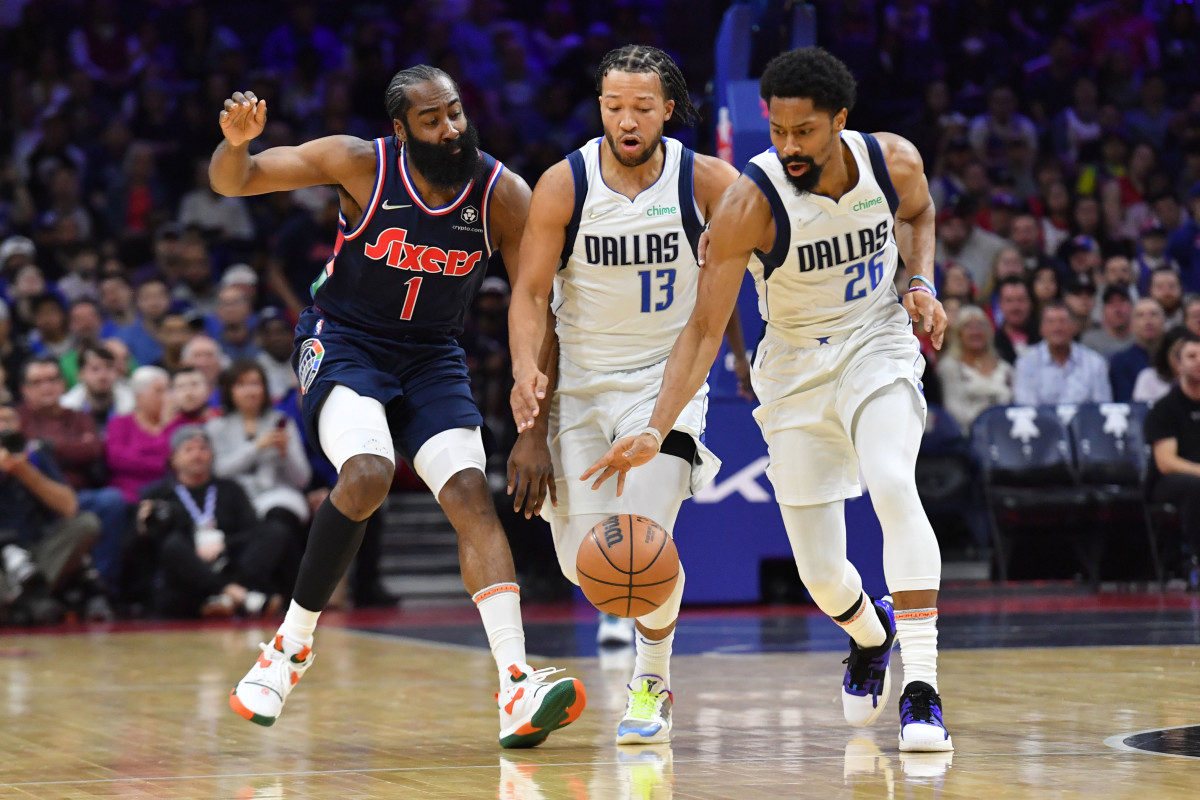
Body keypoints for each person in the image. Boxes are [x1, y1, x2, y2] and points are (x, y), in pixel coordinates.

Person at [579, 47, 953, 752]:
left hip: (876, 344)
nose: (789, 147)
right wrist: (657, 427)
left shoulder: (893, 161)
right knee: (821, 576)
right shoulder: (750, 202)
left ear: (839, 121)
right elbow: (703, 329)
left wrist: (920, 280)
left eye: (804, 131)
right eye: (778, 131)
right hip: (794, 372)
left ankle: (923, 691)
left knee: (892, 482)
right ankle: (871, 635)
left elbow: (919, 214)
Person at [209, 66, 583, 744]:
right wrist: (236, 145)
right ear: (401, 130)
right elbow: (236, 181)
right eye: (432, 120)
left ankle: (516, 684)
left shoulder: (502, 194)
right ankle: (288, 650)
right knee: (367, 473)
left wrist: (534, 428)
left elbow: (539, 305)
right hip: (345, 340)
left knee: (471, 494)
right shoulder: (359, 164)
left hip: (432, 354)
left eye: (456, 112)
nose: (451, 128)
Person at [508, 44, 738, 745]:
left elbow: (772, 251)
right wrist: (526, 389)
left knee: (642, 541)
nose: (627, 120)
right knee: (588, 568)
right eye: (614, 107)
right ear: (600, 108)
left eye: (642, 107)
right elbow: (531, 294)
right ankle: (646, 640)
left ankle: (652, 680)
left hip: (664, 385)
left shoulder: (707, 181)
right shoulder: (564, 184)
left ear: (668, 109)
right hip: (580, 390)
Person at [139, 426, 289, 617]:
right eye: (189, 450)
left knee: (274, 531)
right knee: (172, 546)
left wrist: (224, 543)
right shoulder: (158, 495)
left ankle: (228, 597)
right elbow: (148, 544)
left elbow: (252, 529)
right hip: (189, 572)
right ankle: (238, 595)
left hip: (229, 561)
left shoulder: (230, 488)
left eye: (203, 449)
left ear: (212, 455)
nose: (197, 455)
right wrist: (142, 525)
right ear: (173, 458)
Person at [206, 359, 310, 543]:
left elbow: (302, 480)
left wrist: (285, 454)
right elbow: (219, 471)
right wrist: (256, 447)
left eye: (255, 384)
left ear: (265, 388)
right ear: (229, 390)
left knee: (279, 523)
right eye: (241, 385)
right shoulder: (216, 427)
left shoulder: (282, 422)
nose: (250, 391)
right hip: (233, 499)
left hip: (277, 496)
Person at [1144, 332, 1200, 590]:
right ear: (1178, 364)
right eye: (1192, 356)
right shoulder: (1165, 408)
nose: (1199, 362)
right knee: (1194, 487)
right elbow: (1166, 462)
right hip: (1168, 482)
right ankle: (1194, 560)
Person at [1013, 302, 1111, 405]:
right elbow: (1026, 408)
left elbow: (1102, 407)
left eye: (1063, 321)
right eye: (1051, 322)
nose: (1057, 328)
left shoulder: (1095, 363)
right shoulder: (1026, 363)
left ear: (1074, 327)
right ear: (1041, 329)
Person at [936, 305, 1014, 433]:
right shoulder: (950, 367)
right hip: (968, 435)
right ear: (959, 334)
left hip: (1005, 433)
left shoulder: (1005, 368)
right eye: (968, 327)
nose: (976, 332)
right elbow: (953, 409)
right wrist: (986, 424)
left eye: (980, 326)